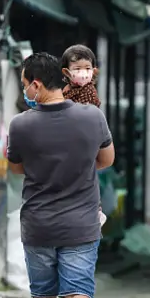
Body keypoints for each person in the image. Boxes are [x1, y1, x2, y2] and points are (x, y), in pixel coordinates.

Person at [7, 52, 114, 298]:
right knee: (79, 292)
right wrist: (80, 166)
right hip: (81, 223)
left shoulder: (21, 124)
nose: (26, 92)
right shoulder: (92, 116)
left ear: (37, 84)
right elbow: (106, 159)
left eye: (26, 85)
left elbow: (16, 167)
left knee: (43, 295)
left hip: (38, 224)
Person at [60, 44, 105, 226]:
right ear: (67, 72)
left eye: (87, 69)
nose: (83, 73)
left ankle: (93, 210)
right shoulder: (68, 90)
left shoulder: (88, 93)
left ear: (94, 71)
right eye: (77, 69)